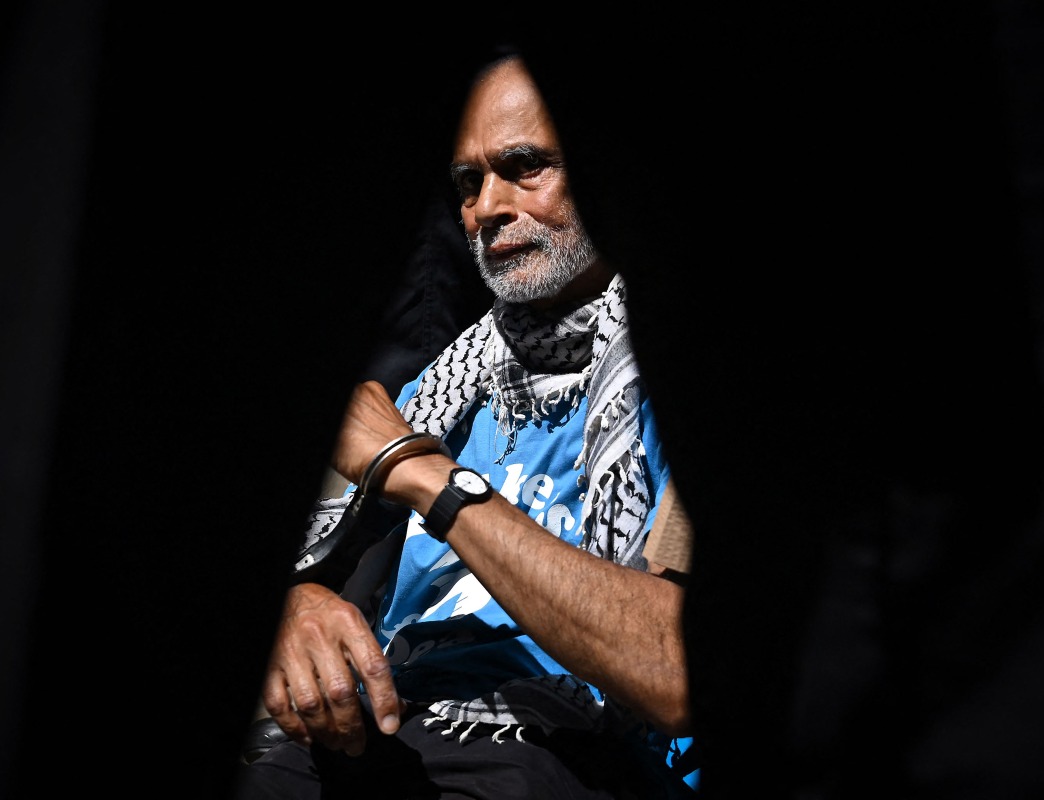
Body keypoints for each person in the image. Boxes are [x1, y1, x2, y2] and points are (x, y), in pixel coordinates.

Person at [233, 53, 697, 799]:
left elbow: (677, 672)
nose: (487, 207)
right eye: (468, 183)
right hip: (397, 731)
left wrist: (430, 479)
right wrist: (301, 610)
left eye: (525, 168)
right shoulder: (440, 388)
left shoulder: (681, 384)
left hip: (577, 751)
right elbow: (332, 578)